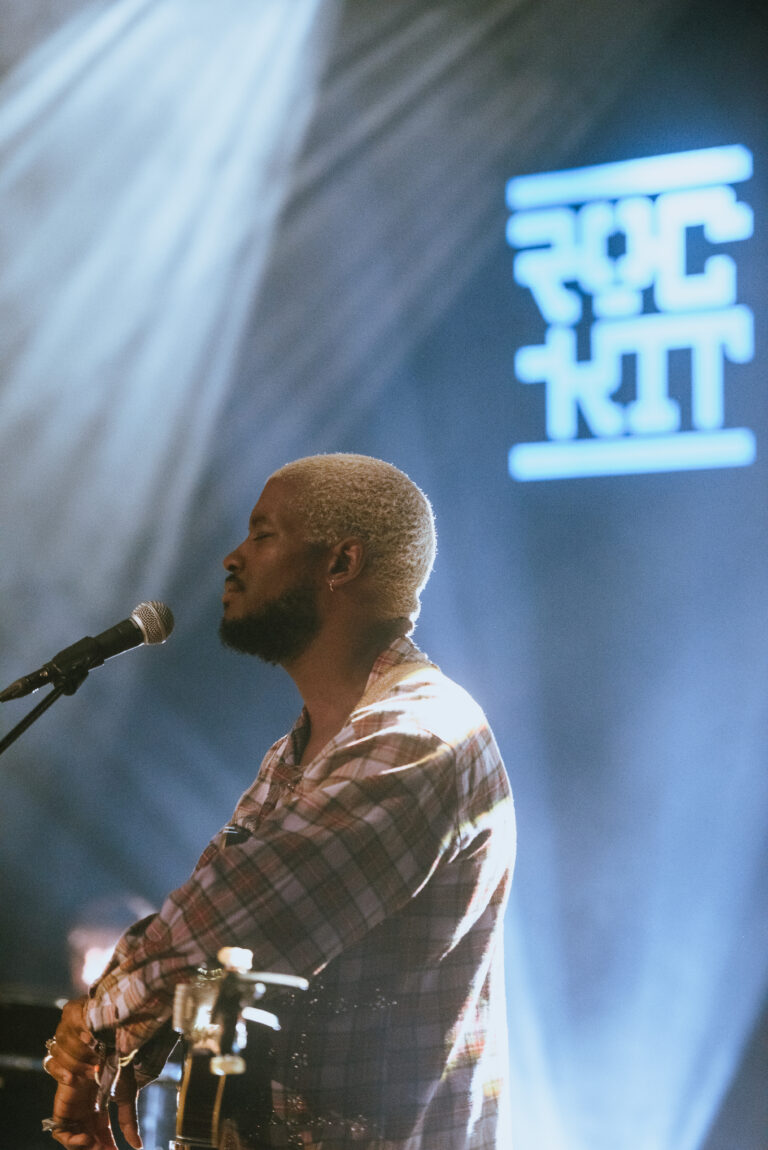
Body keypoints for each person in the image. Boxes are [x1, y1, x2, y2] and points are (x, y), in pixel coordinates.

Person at [43, 453, 516, 1150]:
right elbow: (214, 952)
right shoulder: (301, 749)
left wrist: (93, 1027)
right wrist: (109, 1054)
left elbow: (229, 927)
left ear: (341, 563)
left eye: (263, 535)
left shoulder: (420, 738)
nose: (233, 557)